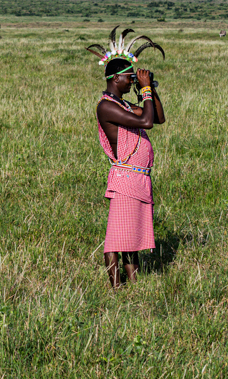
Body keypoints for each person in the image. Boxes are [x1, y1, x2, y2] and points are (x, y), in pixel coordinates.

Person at [86, 27, 166, 288]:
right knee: (116, 238)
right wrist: (143, 90)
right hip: (125, 178)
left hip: (138, 179)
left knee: (130, 237)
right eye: (130, 78)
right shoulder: (107, 106)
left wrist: (150, 88)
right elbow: (146, 121)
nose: (133, 81)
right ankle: (116, 287)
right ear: (116, 78)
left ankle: (133, 284)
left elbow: (158, 117)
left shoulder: (121, 104)